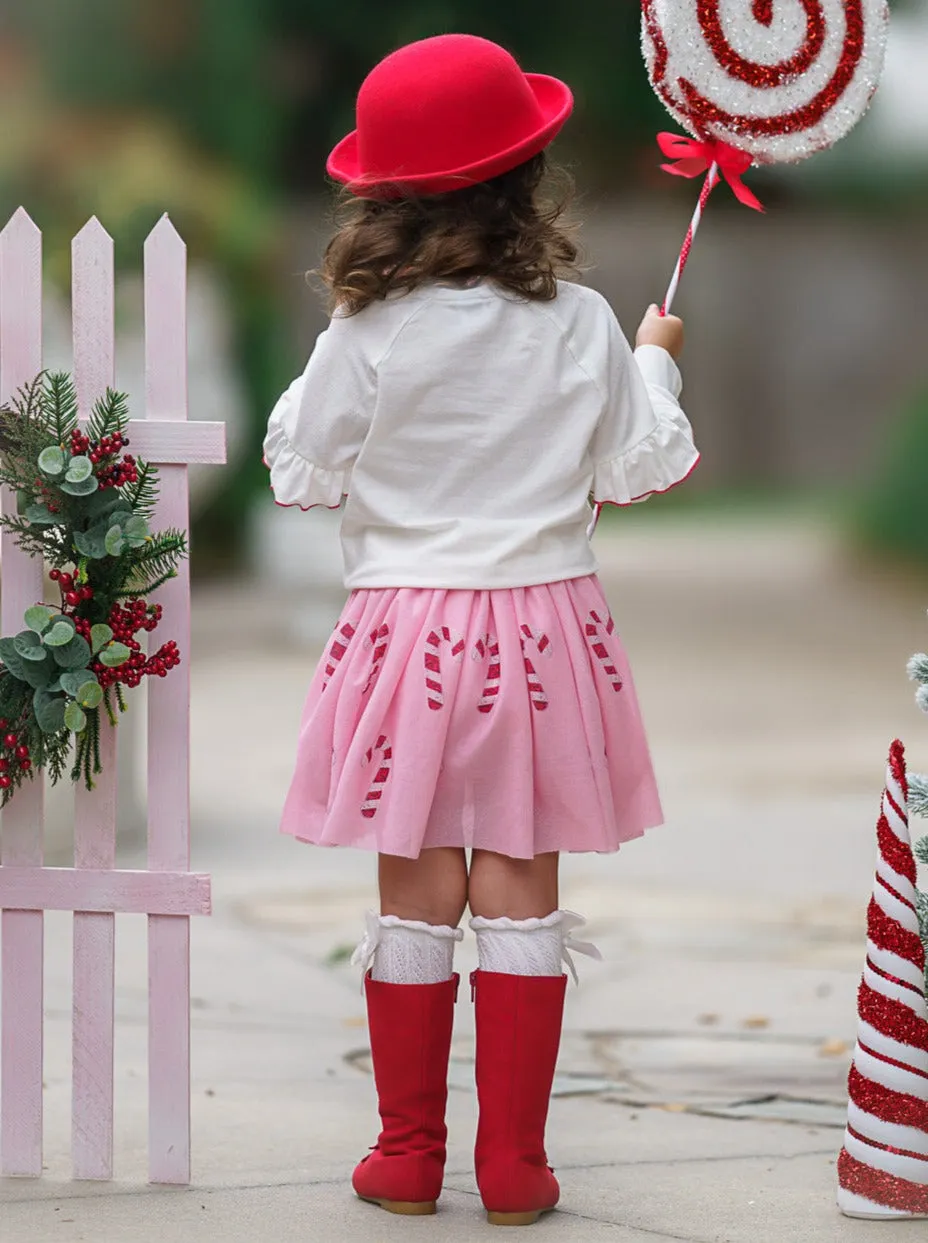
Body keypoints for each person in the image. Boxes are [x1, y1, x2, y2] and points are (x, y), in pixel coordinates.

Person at [264, 32, 698, 1229]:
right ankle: (514, 1164)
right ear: (527, 177)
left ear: (382, 194)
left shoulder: (367, 332)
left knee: (417, 888)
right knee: (518, 881)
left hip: (406, 634)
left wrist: (335, 351)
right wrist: (653, 366)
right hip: (541, 634)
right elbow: (637, 458)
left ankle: (407, 1155)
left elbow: (301, 467)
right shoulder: (580, 323)